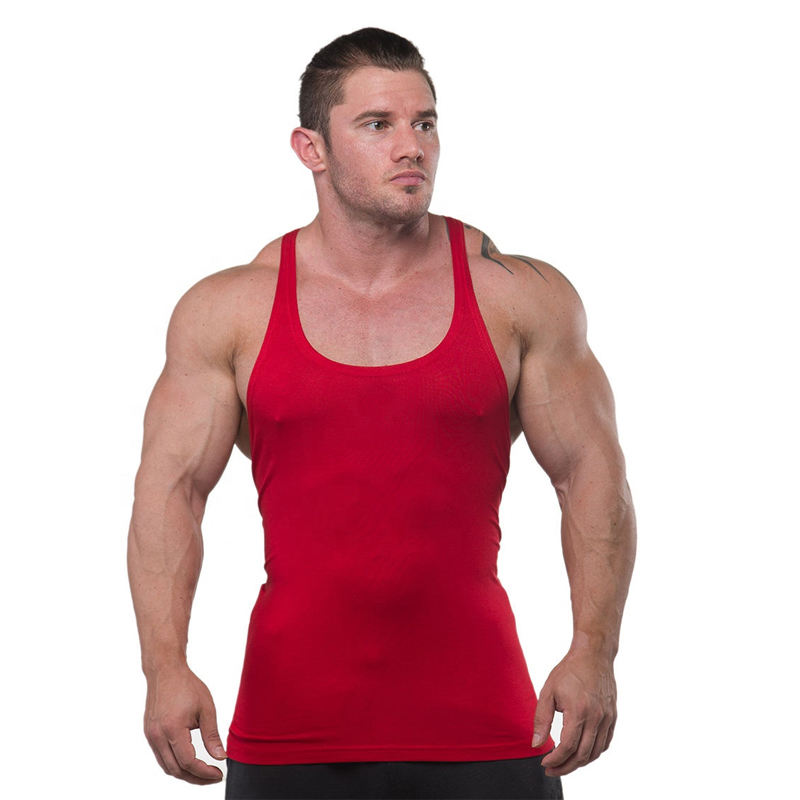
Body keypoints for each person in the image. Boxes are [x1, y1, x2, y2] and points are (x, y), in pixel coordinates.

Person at [127, 27, 636, 800]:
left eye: (424, 122)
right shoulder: (229, 311)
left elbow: (591, 473)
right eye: (378, 124)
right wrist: (164, 667)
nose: (412, 146)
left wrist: (594, 652)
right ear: (311, 148)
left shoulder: (517, 296)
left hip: (489, 725)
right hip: (289, 729)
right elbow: (171, 492)